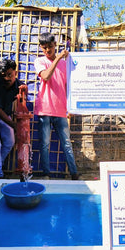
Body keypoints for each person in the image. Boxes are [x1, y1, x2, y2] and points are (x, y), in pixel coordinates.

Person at [34, 32, 79, 180]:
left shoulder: (65, 64)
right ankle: (46, 174)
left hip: (60, 110)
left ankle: (74, 174)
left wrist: (70, 107)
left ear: (55, 45)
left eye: (50, 47)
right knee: (45, 144)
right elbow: (46, 76)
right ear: (41, 47)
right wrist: (58, 58)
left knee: (67, 144)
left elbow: (68, 87)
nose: (48, 50)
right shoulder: (39, 61)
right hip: (45, 109)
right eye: (45, 47)